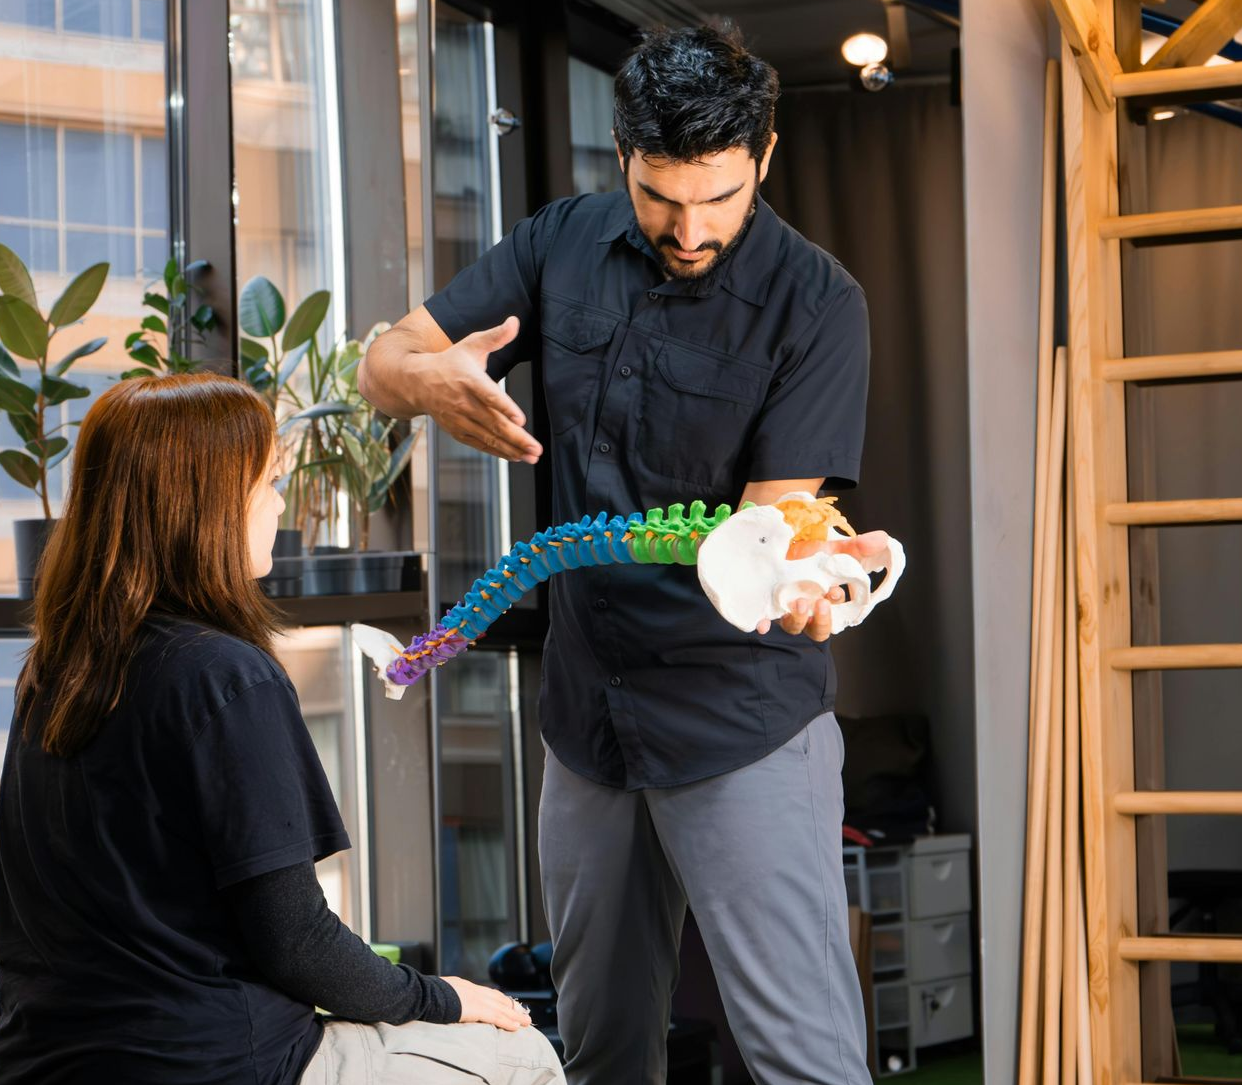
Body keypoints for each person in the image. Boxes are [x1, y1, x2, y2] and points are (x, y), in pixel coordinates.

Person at [357, 23, 883, 1085]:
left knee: (802, 1062)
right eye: (661, 196)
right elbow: (382, 355)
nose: (689, 230)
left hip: (739, 724)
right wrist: (430, 384)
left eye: (719, 199)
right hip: (589, 729)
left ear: (765, 157)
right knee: (598, 1055)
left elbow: (770, 533)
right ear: (622, 156)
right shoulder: (559, 242)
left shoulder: (818, 304)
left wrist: (800, 586)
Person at [0, 373, 565, 1085]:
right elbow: (297, 942)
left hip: (43, 1066)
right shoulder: (226, 677)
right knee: (525, 1058)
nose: (281, 503)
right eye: (268, 483)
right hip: (215, 1065)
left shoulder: (51, 675)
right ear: (207, 507)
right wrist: (444, 997)